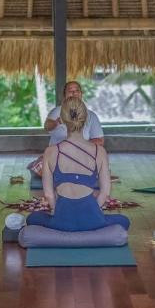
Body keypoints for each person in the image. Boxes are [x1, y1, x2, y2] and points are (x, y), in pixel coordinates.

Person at [26, 93, 129, 232]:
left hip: (61, 221)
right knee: (124, 221)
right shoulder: (100, 151)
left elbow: (49, 195)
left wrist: (59, 214)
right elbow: (105, 193)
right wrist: (94, 213)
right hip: (93, 221)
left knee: (32, 218)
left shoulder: (50, 152)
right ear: (85, 118)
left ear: (62, 119)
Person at [44, 81, 104, 146]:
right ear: (64, 95)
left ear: (81, 94)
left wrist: (77, 145)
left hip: (82, 151)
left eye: (77, 90)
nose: (74, 93)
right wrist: (57, 122)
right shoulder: (56, 111)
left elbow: (100, 141)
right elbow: (46, 127)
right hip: (57, 151)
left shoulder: (91, 115)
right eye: (70, 91)